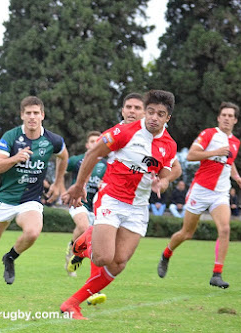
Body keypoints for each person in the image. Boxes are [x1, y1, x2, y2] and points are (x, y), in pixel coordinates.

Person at [60, 90, 177, 320]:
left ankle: (71, 305)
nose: (154, 117)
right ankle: (83, 242)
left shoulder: (169, 145)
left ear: (167, 118)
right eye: (151, 111)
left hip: (138, 207)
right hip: (111, 198)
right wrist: (79, 186)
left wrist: (162, 181)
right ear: (146, 111)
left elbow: (166, 171)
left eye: (160, 114)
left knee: (119, 263)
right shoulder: (124, 132)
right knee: (103, 257)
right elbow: (93, 153)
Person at [0, 96, 68, 296]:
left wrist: (59, 182)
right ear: (22, 115)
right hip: (5, 199)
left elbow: (63, 156)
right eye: (28, 113)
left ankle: (10, 257)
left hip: (30, 200)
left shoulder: (52, 140)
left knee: (33, 232)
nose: (32, 117)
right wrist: (15, 158)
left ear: (42, 115)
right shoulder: (11, 137)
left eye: (36, 113)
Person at [157, 102, 241, 288]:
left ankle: (217, 274)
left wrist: (237, 178)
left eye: (231, 116)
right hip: (200, 189)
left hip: (220, 193)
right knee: (187, 233)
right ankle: (166, 254)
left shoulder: (236, 142)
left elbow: (229, 163)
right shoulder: (209, 134)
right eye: (224, 115)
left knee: (224, 229)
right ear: (218, 117)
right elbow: (191, 155)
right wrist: (215, 152)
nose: (227, 118)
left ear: (235, 120)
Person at [64, 131, 106, 278]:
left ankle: (72, 248)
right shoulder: (77, 160)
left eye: (98, 141)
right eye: (92, 141)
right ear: (87, 145)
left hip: (96, 206)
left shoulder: (106, 165)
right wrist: (60, 186)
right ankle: (75, 254)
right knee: (84, 227)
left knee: (85, 231)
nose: (95, 143)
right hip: (78, 201)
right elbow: (62, 163)